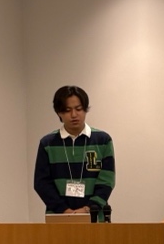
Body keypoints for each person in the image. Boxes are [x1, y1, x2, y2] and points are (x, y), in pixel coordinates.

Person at [34, 84, 115, 222]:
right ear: (58, 113)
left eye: (78, 109)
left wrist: (87, 209)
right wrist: (65, 211)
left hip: (95, 217)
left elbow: (107, 181)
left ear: (85, 109)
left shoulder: (103, 140)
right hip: (58, 219)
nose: (74, 115)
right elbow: (41, 183)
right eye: (67, 110)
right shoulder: (47, 143)